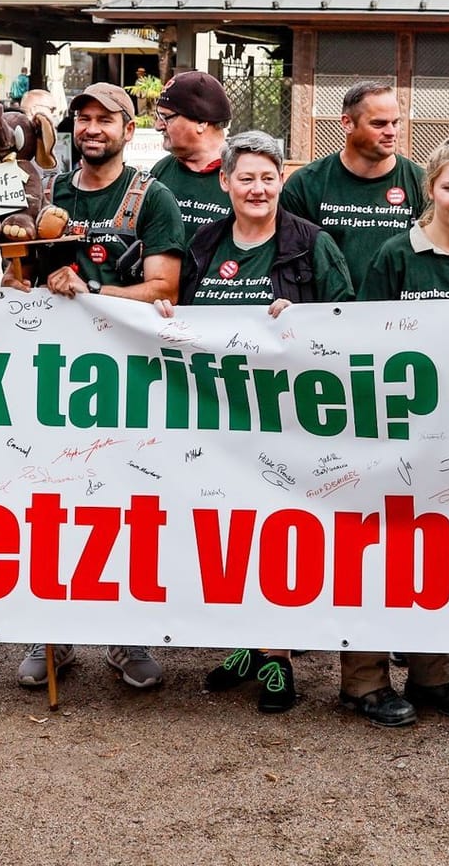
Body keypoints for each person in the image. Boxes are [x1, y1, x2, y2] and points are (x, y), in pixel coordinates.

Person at [166, 130, 355, 714]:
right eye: (245, 177)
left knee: (283, 531)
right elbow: (179, 318)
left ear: (282, 181)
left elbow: (349, 319)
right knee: (233, 530)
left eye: (268, 177)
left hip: (291, 417)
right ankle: (250, 641)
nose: (257, 188)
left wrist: (305, 320)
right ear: (224, 182)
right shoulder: (202, 244)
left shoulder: (309, 244)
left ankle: (278, 658)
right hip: (221, 419)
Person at [19, 81, 186, 692]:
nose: (91, 128)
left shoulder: (153, 197)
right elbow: (19, 275)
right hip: (52, 376)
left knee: (128, 502)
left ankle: (125, 636)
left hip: (129, 376)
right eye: (82, 118)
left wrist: (95, 292)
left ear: (128, 129)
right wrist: (25, 281)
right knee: (50, 503)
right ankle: (53, 635)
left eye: (104, 120)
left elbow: (164, 287)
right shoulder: (45, 192)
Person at [347, 139, 449, 727]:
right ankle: (364, 679)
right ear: (430, 192)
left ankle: (431, 674)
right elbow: (359, 338)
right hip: (393, 428)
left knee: (433, 549)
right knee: (374, 547)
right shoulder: (395, 254)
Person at [280, 82, 427, 276]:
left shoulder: (422, 184)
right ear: (347, 123)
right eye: (379, 124)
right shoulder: (305, 185)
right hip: (326, 305)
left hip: (397, 306)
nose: (391, 132)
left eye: (396, 122)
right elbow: (288, 260)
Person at [147, 69, 233, 234]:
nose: (158, 126)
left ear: (201, 122)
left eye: (167, 117)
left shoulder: (242, 173)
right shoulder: (161, 170)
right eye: (158, 116)